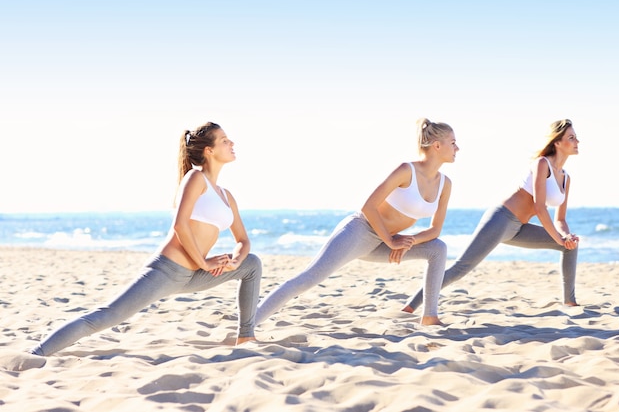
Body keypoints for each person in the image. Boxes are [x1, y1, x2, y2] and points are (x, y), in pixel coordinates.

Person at [29, 122, 262, 357]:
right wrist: (204, 262)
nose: (231, 143)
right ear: (208, 151)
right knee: (105, 317)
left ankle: (245, 336)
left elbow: (243, 239)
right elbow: (180, 225)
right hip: (167, 270)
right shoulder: (195, 179)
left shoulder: (226, 195)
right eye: (224, 140)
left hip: (192, 276)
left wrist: (234, 260)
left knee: (251, 263)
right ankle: (35, 354)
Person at [256, 118, 459, 326]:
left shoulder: (445, 184)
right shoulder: (406, 171)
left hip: (384, 244)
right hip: (359, 231)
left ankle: (430, 316)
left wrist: (408, 241)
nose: (457, 148)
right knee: (308, 279)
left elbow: (435, 230)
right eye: (453, 143)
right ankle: (247, 327)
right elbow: (368, 206)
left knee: (437, 249)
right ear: (437, 145)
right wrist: (390, 240)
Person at [402, 118, 580, 313]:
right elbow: (540, 207)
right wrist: (560, 238)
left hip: (518, 228)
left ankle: (569, 303)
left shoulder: (566, 178)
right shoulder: (542, 164)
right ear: (557, 142)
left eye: (576, 137)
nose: (577, 141)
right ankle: (411, 306)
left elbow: (560, 219)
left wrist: (567, 237)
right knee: (460, 269)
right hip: (501, 219)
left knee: (570, 247)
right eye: (571, 137)